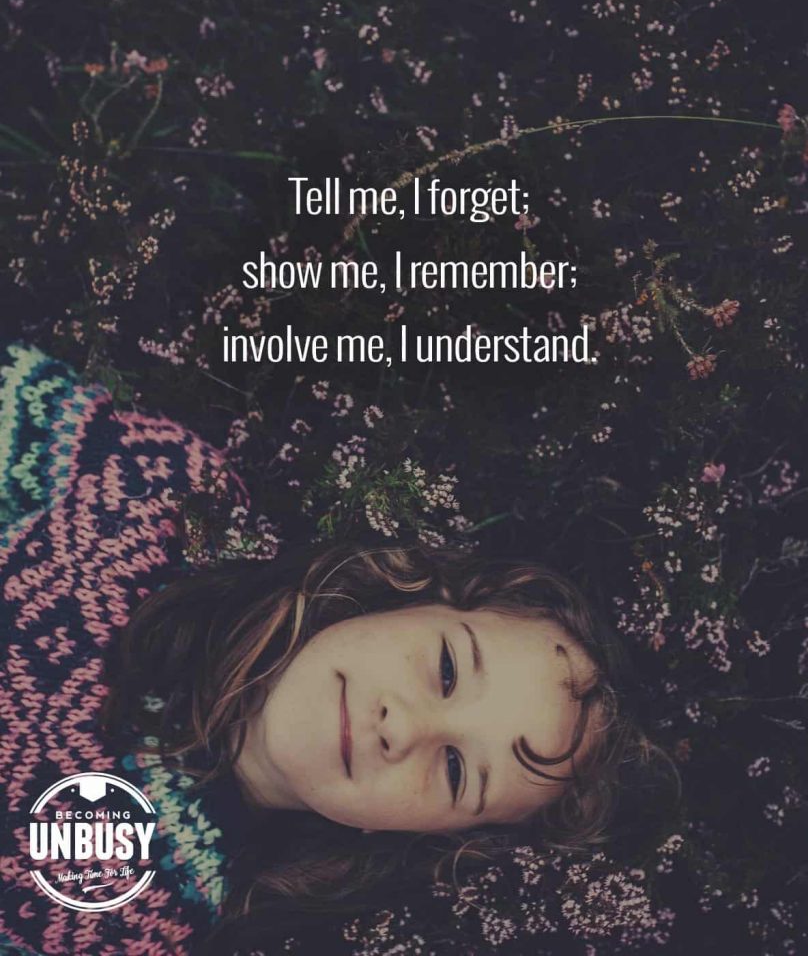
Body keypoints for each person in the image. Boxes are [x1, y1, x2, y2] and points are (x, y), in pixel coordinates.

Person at [0, 339, 679, 956]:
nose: (404, 727)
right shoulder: (167, 496)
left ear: (423, 838)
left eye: (453, 773)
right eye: (445, 668)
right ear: (415, 594)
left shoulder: (142, 908)